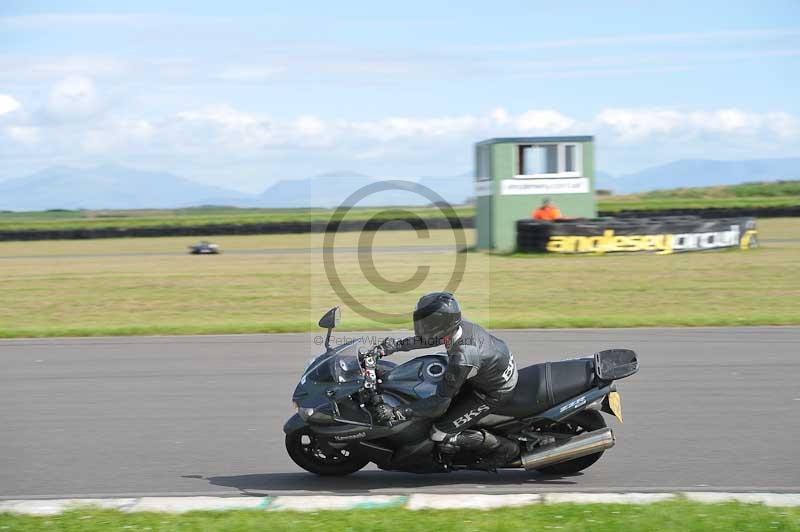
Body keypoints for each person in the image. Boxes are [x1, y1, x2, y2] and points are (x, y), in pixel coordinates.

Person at [372, 292, 520, 468]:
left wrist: (398, 412)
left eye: (427, 323)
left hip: (493, 393)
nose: (421, 326)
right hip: (487, 371)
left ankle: (505, 448)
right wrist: (394, 346)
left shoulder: (462, 357)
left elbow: (439, 405)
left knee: (439, 433)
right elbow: (428, 339)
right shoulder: (457, 328)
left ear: (441, 324)